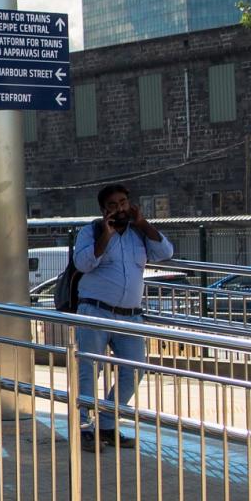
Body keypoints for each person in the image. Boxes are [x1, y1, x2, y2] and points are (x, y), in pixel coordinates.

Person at [69, 184, 173, 449]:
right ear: (104, 210)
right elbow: (83, 263)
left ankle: (107, 424)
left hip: (130, 317)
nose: (120, 208)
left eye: (124, 202)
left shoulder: (139, 234)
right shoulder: (90, 232)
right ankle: (83, 428)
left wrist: (144, 224)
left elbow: (166, 253)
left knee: (134, 371)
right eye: (113, 205)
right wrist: (106, 235)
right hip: (95, 312)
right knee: (88, 372)